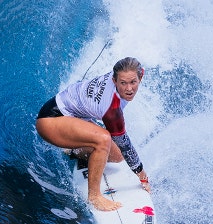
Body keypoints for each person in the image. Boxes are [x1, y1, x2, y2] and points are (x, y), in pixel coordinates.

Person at [36, 57, 150, 211]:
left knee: (116, 157)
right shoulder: (111, 108)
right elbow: (124, 144)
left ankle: (75, 150)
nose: (129, 89)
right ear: (114, 80)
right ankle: (94, 197)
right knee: (103, 139)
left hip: (74, 118)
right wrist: (142, 177)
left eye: (133, 82)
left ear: (140, 76)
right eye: (123, 83)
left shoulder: (129, 72)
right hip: (51, 120)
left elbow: (122, 151)